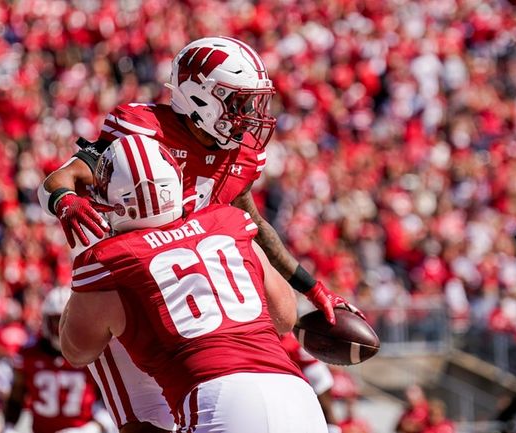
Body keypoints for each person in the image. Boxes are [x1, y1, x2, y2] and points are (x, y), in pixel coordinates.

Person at [40, 35, 358, 433]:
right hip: (134, 285)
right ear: (200, 97)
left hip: (193, 291)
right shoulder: (143, 133)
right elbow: (63, 177)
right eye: (238, 102)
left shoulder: (238, 159)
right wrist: (65, 199)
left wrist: (313, 288)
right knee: (145, 418)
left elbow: (256, 226)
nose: (248, 115)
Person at [59, 135, 328, 433]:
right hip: (295, 395)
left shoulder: (108, 260)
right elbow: (285, 316)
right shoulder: (229, 222)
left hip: (217, 401)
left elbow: (77, 351)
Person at [3, 287, 108, 433]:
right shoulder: (29, 355)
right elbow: (16, 398)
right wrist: (9, 427)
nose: (62, 329)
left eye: (68, 321)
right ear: (45, 321)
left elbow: (108, 400)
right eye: (56, 321)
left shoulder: (93, 353)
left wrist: (95, 427)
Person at [280, 332, 338, 432]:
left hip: (315, 374)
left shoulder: (289, 340)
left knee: (326, 411)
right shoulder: (296, 335)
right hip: (311, 374)